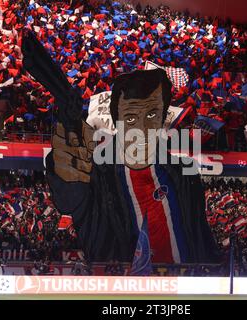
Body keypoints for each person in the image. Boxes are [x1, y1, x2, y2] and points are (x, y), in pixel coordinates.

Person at [45, 68, 219, 264]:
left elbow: (200, 236)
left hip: (184, 287)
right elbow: (68, 199)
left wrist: (214, 270)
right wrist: (61, 168)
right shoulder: (96, 174)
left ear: (163, 117)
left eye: (152, 115)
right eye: (130, 118)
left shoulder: (184, 173)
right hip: (122, 288)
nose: (142, 128)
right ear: (116, 122)